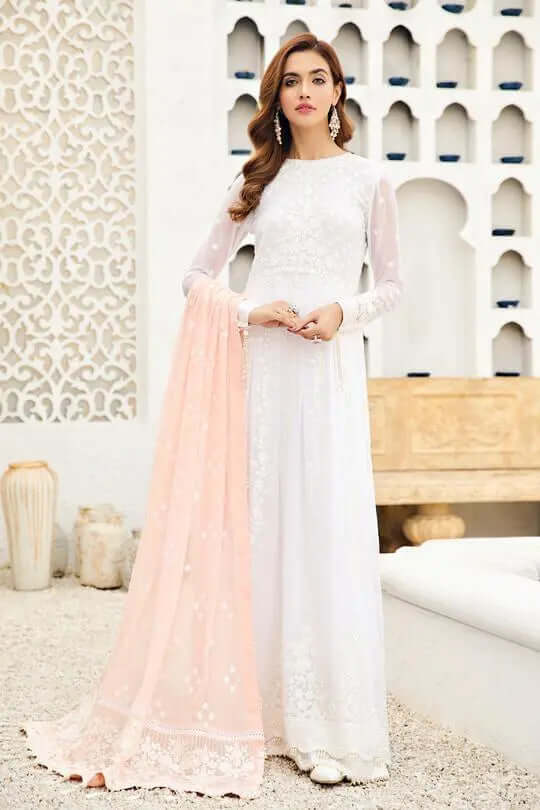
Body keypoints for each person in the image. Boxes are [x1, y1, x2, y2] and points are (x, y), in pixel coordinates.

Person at [181, 33, 403, 786]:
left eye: (318, 79)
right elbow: (197, 275)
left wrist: (344, 310)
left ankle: (327, 723)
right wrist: (251, 310)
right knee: (265, 525)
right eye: (291, 81)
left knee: (326, 525)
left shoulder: (369, 180)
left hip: (328, 373)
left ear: (338, 92)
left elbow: (393, 285)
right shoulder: (258, 181)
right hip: (268, 374)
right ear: (276, 97)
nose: (305, 91)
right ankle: (258, 713)